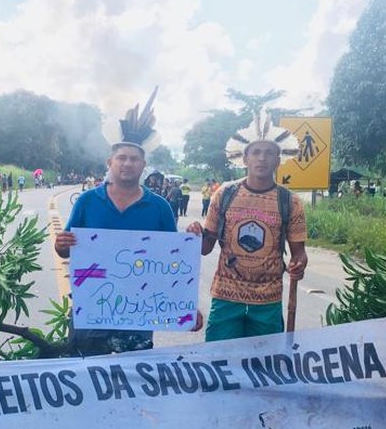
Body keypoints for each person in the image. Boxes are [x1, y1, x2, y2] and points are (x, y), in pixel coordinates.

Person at [55, 88, 200, 355]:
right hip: (92, 308)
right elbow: (64, 249)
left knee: (131, 385)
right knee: (87, 376)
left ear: (143, 164)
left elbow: (172, 263)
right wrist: (61, 243)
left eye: (134, 159)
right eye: (121, 158)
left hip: (138, 313)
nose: (127, 163)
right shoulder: (87, 201)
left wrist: (186, 306)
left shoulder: (160, 208)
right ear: (110, 162)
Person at [201, 109, 308, 341]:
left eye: (269, 153)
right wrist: (195, 235)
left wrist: (298, 265)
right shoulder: (224, 194)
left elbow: (299, 254)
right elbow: (205, 247)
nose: (262, 158)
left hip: (268, 302)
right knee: (219, 364)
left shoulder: (290, 201)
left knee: (265, 369)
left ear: (278, 160)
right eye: (256, 152)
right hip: (226, 299)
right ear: (245, 158)